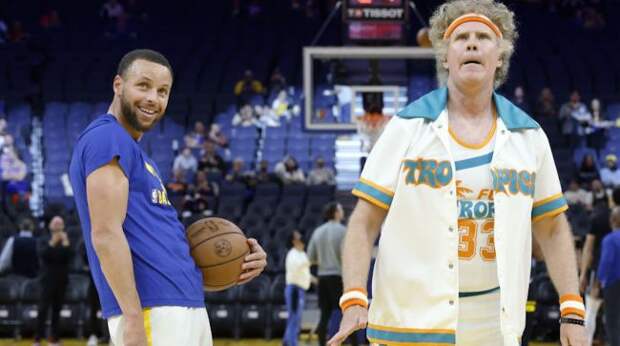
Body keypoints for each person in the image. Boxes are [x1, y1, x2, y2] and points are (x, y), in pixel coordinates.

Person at [329, 2, 587, 345]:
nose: (472, 43)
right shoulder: (406, 128)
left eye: (483, 37)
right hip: (408, 325)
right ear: (445, 58)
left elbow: (553, 229)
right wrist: (354, 298)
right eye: (461, 37)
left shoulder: (530, 136)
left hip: (496, 328)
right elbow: (363, 222)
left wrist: (572, 310)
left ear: (500, 58)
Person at [68, 49, 267, 346]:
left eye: (163, 91)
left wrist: (236, 261)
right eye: (143, 86)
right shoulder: (105, 138)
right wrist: (133, 318)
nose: (153, 98)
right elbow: (106, 234)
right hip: (152, 310)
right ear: (118, 85)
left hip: (180, 305)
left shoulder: (139, 155)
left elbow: (155, 247)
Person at [308, 202, 358, 346]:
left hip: (322, 277)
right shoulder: (343, 231)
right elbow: (347, 256)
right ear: (336, 213)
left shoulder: (317, 231)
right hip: (338, 277)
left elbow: (311, 257)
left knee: (324, 314)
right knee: (347, 312)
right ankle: (353, 344)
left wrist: (324, 258)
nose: (342, 212)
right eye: (341, 209)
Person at [34, 216, 74, 346]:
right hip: (46, 279)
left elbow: (70, 257)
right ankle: (38, 338)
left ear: (63, 226)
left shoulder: (66, 239)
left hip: (61, 280)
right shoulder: (44, 239)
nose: (57, 225)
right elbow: (43, 255)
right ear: (50, 226)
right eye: (55, 223)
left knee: (57, 309)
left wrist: (65, 242)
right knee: (43, 309)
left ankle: (54, 338)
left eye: (60, 223)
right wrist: (53, 241)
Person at [580, 191, 613, 346]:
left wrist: (583, 274)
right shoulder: (612, 218)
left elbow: (588, 248)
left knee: (591, 313)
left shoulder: (597, 218)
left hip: (599, 270)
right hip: (616, 272)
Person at [284, 230, 312, 346]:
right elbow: (297, 269)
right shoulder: (292, 253)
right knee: (295, 318)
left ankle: (286, 341)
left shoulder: (302, 254)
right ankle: (292, 343)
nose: (299, 238)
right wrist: (312, 260)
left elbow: (305, 273)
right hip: (294, 289)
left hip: (300, 290)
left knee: (294, 318)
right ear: (293, 241)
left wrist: (314, 280)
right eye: (296, 237)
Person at [597, 207, 620, 346]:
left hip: (614, 283)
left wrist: (599, 281)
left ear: (613, 220)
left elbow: (606, 262)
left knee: (612, 320)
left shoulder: (610, 239)